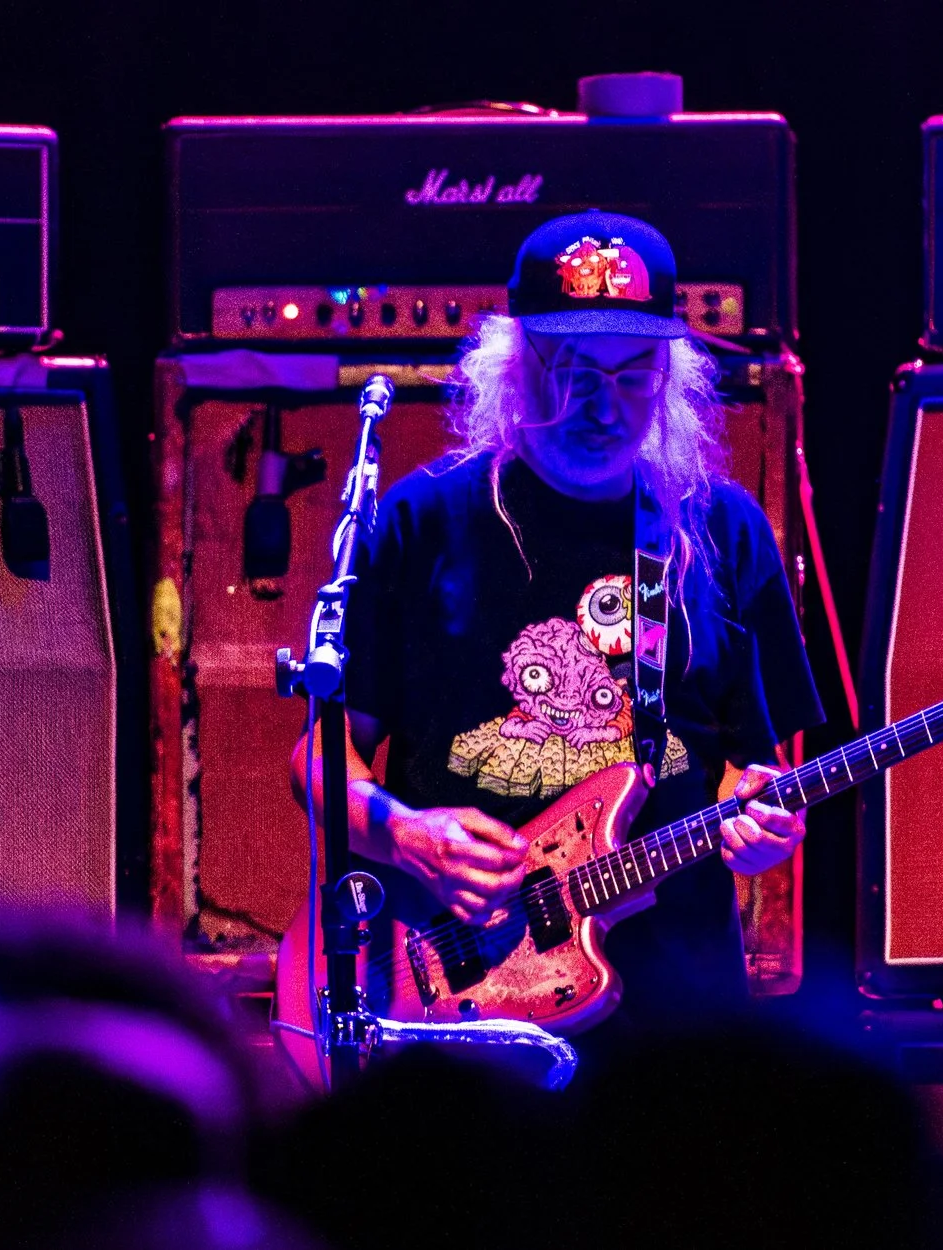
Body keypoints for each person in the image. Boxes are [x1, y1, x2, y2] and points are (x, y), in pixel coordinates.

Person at [289, 210, 823, 1031]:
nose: (598, 406)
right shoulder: (422, 520)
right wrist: (406, 837)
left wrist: (767, 825)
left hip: (676, 1008)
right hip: (453, 990)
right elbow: (321, 757)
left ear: (669, 379)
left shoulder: (721, 528)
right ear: (509, 367)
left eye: (630, 374)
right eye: (569, 369)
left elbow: (754, 771)